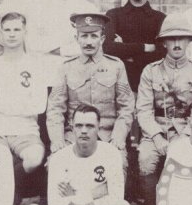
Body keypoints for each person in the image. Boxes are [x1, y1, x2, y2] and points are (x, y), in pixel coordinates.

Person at [135, 13, 192, 205]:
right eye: (171, 39)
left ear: (188, 41)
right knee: (146, 158)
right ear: (164, 43)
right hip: (156, 128)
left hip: (188, 128)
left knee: (187, 158)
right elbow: (143, 109)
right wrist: (157, 136)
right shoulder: (150, 71)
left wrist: (185, 136)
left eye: (181, 38)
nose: (177, 43)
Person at [25, 104, 134, 205]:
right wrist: (95, 194)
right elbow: (55, 204)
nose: (84, 131)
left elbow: (115, 198)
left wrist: (75, 196)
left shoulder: (111, 153)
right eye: (79, 125)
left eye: (89, 126)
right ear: (72, 128)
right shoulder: (58, 158)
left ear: (98, 127)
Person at [45, 12, 134, 170]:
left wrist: (118, 138)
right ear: (76, 39)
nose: (88, 42)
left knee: (118, 165)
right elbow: (55, 109)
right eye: (84, 36)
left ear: (102, 39)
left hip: (108, 135)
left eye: (94, 36)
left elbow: (126, 107)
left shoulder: (116, 66)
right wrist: (57, 140)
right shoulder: (66, 68)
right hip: (74, 136)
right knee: (56, 165)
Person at [0, 12, 47, 202]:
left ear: (25, 32)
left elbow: (39, 105)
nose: (12, 34)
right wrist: (20, 102)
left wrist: (5, 103)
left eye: (17, 29)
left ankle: (6, 195)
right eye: (7, 30)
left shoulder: (36, 65)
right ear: (1, 33)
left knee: (33, 159)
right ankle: (8, 200)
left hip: (26, 131)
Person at [104, 0, 167, 92]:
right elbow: (107, 48)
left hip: (150, 84)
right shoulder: (113, 15)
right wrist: (144, 47)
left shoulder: (160, 18)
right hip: (119, 83)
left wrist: (127, 55)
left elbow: (161, 53)